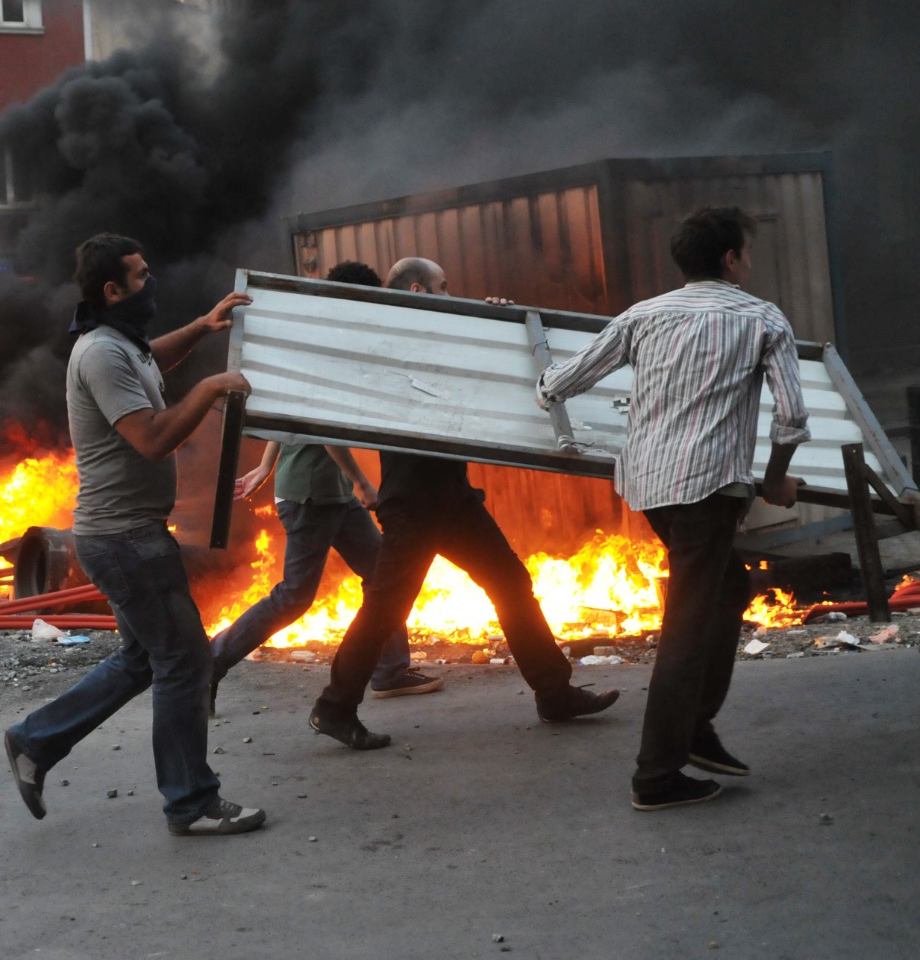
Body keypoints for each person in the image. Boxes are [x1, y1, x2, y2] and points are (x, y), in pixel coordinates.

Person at [539, 206, 808, 812]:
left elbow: (560, 383)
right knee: (688, 623)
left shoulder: (643, 315)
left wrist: (538, 380)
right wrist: (774, 480)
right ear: (731, 258)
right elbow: (791, 417)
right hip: (708, 490)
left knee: (728, 589)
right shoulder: (762, 318)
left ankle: (695, 729)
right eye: (747, 252)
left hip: (649, 487)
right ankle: (657, 773)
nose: (749, 261)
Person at [4, 233, 267, 836]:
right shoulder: (101, 352)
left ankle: (34, 741)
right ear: (112, 290)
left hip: (125, 535)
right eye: (142, 275)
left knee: (144, 658)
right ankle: (190, 803)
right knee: (185, 661)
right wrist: (210, 387)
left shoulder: (121, 342)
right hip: (126, 540)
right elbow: (151, 438)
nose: (152, 283)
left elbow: (151, 360)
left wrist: (201, 328)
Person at [308, 256, 620, 751]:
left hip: (451, 500)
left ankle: (554, 693)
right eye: (445, 287)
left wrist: (496, 321)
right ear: (418, 291)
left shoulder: (439, 336)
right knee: (386, 607)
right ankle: (334, 706)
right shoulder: (393, 344)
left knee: (510, 583)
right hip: (414, 504)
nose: (452, 295)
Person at [211, 262, 441, 711]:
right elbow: (321, 427)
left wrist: (266, 466)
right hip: (312, 496)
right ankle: (209, 663)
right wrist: (363, 482)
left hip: (327, 492)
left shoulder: (327, 342)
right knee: (295, 597)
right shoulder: (329, 348)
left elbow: (292, 413)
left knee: (384, 576)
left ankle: (391, 672)